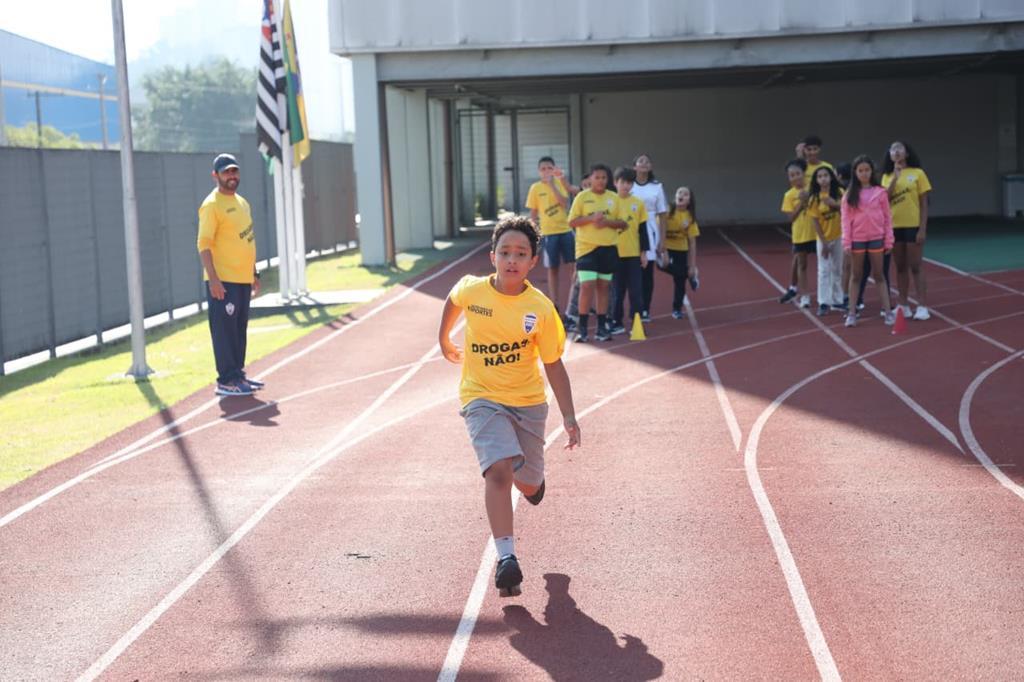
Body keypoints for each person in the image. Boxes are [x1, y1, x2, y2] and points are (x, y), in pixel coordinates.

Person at [438, 216, 580, 598]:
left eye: (520, 254)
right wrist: (444, 339)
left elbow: (552, 362)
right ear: (492, 256)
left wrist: (568, 415)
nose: (512, 260)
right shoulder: (474, 291)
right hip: (481, 397)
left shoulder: (541, 307)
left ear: (533, 261)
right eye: (505, 253)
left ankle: (532, 481)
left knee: (527, 480)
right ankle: (507, 560)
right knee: (497, 472)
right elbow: (454, 299)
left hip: (528, 402)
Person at [196, 153, 263, 397]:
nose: (231, 176)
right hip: (223, 281)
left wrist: (253, 272)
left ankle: (237, 373)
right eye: (226, 172)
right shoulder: (212, 205)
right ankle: (226, 379)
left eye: (234, 171)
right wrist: (213, 279)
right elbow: (204, 244)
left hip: (242, 279)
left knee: (238, 330)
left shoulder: (243, 203)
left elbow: (246, 241)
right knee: (224, 331)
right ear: (216, 176)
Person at [567, 164, 627, 342]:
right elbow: (572, 222)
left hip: (608, 248)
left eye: (603, 178)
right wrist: (591, 219)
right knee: (587, 286)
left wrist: (607, 222)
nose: (600, 180)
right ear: (590, 179)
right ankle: (582, 328)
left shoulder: (614, 198)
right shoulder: (582, 197)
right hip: (586, 249)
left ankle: (601, 327)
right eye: (597, 177)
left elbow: (623, 223)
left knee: (603, 287)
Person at [841, 155, 895, 328]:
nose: (864, 173)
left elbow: (887, 217)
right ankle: (851, 313)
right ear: (855, 173)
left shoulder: (880, 192)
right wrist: (847, 242)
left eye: (867, 170)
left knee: (879, 275)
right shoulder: (849, 195)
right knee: (856, 276)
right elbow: (845, 220)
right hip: (857, 239)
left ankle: (887, 312)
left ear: (872, 171)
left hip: (876, 238)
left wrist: (889, 240)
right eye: (860, 171)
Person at [882, 141, 933, 321]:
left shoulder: (918, 174)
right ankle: (903, 305)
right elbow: (884, 200)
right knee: (900, 267)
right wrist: (895, 178)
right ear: (889, 154)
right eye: (893, 149)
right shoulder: (886, 176)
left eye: (899, 148)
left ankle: (922, 306)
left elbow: (924, 203)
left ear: (907, 153)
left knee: (916, 266)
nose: (896, 152)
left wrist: (922, 228)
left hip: (913, 226)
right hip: (894, 227)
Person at [525, 157, 575, 321]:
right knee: (552, 269)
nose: (546, 171)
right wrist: (532, 234)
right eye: (543, 169)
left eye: (549, 168)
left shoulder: (560, 183)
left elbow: (564, 203)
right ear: (539, 171)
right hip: (548, 234)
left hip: (566, 231)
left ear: (554, 169)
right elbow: (533, 213)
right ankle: (555, 304)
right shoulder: (535, 188)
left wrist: (553, 184)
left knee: (573, 268)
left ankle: (574, 303)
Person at [609, 167, 649, 335]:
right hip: (614, 254)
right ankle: (616, 321)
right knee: (617, 291)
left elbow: (643, 230)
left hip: (633, 255)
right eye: (622, 182)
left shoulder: (638, 203)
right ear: (615, 183)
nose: (626, 186)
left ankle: (636, 323)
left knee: (636, 291)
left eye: (629, 183)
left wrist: (644, 252)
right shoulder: (610, 202)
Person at [629, 154, 668, 322]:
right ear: (635, 167)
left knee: (647, 273)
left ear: (650, 167)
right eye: (640, 161)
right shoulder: (628, 186)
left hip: (650, 230)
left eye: (647, 161)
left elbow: (663, 215)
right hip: (631, 230)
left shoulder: (657, 187)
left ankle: (645, 308)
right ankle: (634, 308)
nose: (644, 163)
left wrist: (663, 242)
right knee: (632, 272)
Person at [808, 166, 845, 315]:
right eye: (820, 176)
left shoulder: (839, 193)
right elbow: (815, 222)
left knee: (837, 268)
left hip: (839, 235)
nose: (823, 178)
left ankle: (837, 300)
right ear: (816, 180)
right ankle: (823, 302)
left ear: (831, 177)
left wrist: (834, 204)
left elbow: (847, 210)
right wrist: (823, 242)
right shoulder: (815, 198)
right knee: (824, 270)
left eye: (826, 175)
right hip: (823, 238)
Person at [779, 159, 815, 308]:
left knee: (827, 265)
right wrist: (801, 202)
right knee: (802, 265)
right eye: (791, 175)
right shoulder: (789, 195)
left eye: (797, 174)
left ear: (804, 174)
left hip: (818, 233)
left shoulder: (813, 189)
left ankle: (831, 295)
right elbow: (791, 217)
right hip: (800, 235)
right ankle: (805, 295)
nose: (795, 178)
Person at [661, 187, 700, 318]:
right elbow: (658, 230)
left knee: (680, 280)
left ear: (689, 200)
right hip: (665, 248)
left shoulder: (689, 217)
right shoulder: (667, 211)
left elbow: (692, 243)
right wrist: (663, 249)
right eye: (679, 192)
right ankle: (689, 276)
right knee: (662, 265)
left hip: (681, 250)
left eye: (685, 194)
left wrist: (692, 265)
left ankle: (676, 309)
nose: (681, 195)